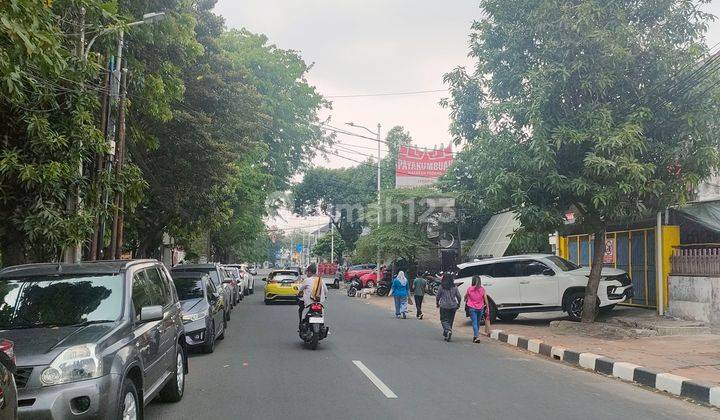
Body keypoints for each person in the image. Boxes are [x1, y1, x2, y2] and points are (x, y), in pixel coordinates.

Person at [436, 272, 461, 341]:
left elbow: (438, 296)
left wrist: (437, 302)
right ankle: (447, 332)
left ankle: (447, 330)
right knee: (450, 321)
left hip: (444, 306)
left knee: (443, 320)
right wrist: (459, 303)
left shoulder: (441, 286)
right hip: (453, 306)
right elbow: (458, 296)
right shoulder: (455, 287)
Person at [465, 275, 490, 343]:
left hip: (472, 308)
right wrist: (487, 307)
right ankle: (475, 336)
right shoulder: (482, 289)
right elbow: (486, 299)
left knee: (474, 322)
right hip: (480, 308)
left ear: (473, 281)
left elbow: (465, 297)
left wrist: (466, 298)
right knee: (477, 322)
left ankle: (477, 336)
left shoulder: (469, 289)